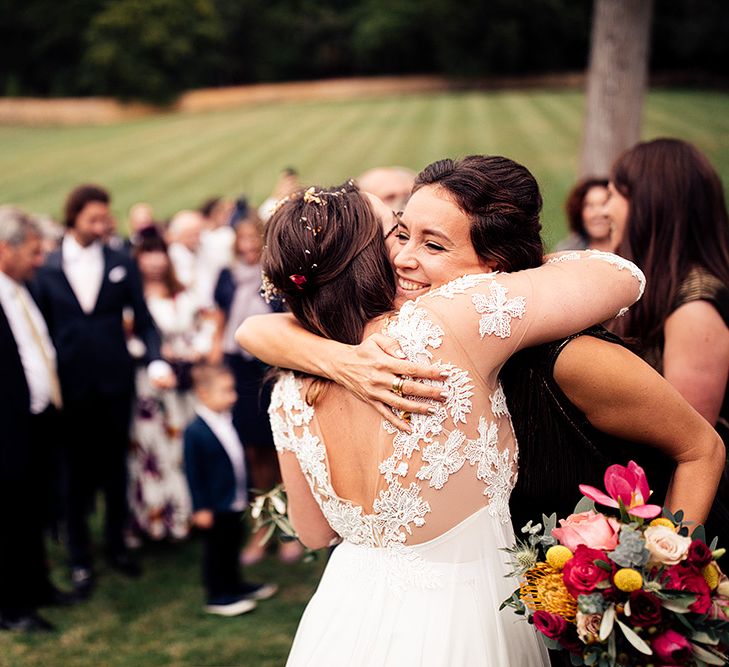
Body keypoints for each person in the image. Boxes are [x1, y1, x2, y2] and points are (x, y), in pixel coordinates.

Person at [245, 174, 645, 665]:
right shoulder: (447, 325)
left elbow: (312, 532)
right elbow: (621, 275)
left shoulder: (286, 391)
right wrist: (515, 268)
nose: (405, 251)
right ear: (370, 258)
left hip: (345, 612)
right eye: (395, 231)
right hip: (467, 614)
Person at [239, 158, 723, 533]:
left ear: (492, 268)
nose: (403, 258)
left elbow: (700, 448)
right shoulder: (404, 352)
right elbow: (260, 329)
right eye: (400, 234)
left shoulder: (569, 357)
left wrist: (659, 566)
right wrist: (338, 359)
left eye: (433, 245)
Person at [33, 184, 175, 598]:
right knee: (74, 474)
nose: (101, 225)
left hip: (115, 383)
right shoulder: (48, 267)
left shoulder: (119, 261)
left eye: (104, 218)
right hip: (71, 389)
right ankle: (79, 556)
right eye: (92, 218)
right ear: (73, 217)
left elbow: (144, 320)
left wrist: (156, 359)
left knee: (116, 469)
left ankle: (117, 546)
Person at [606, 138, 729, 444]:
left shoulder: (695, 309)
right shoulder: (658, 282)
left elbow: (690, 444)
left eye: (612, 196)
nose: (605, 210)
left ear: (650, 203)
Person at [0, 207, 74, 632]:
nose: (40, 259)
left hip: (39, 419)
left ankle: (39, 584)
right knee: (10, 517)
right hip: (8, 429)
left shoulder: (22, 287)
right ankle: (12, 606)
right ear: (5, 250)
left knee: (36, 510)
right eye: (32, 251)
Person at [212, 212, 300, 564]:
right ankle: (261, 530)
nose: (248, 247)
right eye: (242, 241)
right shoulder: (225, 277)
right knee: (253, 455)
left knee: (281, 451)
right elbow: (219, 321)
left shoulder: (276, 274)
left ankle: (290, 527)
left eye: (254, 240)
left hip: (271, 366)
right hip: (240, 368)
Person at [183, 364, 278, 617]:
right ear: (203, 394)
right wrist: (200, 507)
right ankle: (217, 594)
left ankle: (235, 584)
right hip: (214, 505)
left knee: (233, 542)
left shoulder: (230, 420)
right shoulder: (195, 432)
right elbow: (194, 473)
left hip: (234, 498)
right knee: (217, 550)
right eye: (226, 391)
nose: (234, 396)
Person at [128, 230, 201, 542]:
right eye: (148, 252)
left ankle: (185, 516)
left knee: (180, 446)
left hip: (182, 382)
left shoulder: (181, 292)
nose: (155, 259)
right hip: (149, 384)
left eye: (160, 252)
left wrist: (191, 349)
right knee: (151, 450)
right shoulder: (131, 297)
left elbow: (203, 324)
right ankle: (153, 519)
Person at [555, 177, 612, 252]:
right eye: (589, 205)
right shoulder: (566, 252)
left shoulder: (630, 248)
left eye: (604, 204)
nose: (597, 213)